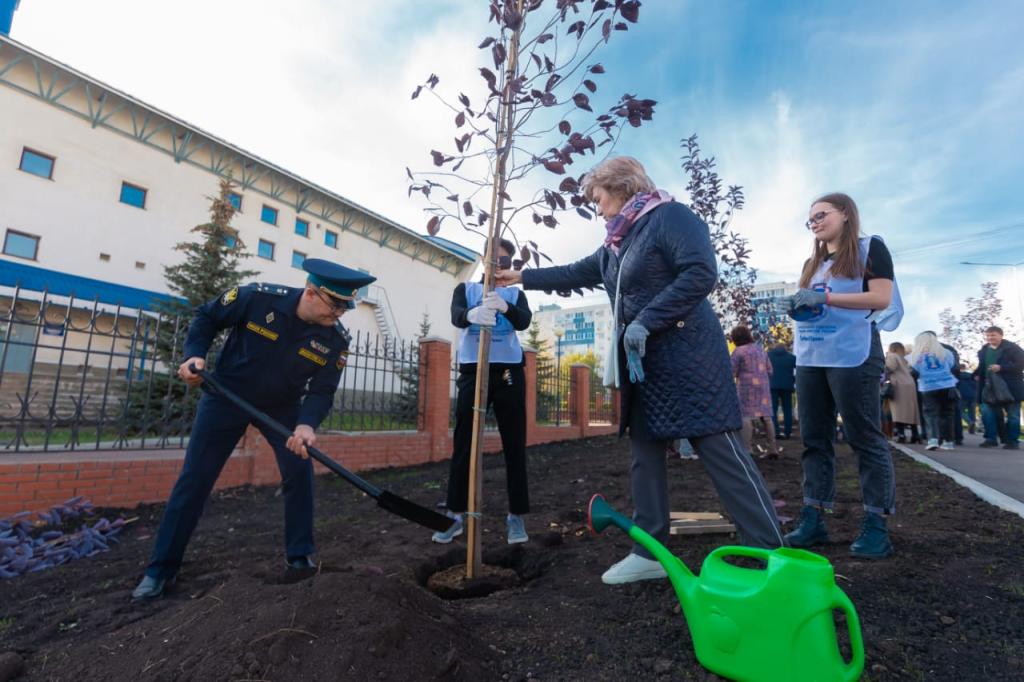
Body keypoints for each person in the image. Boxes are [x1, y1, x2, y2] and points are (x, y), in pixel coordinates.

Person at [496, 156, 784, 585]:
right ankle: (649, 550)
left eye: (599, 197)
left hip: (689, 356)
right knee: (644, 450)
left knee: (719, 448)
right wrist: (519, 277)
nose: (596, 208)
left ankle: (772, 555)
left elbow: (700, 272)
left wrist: (647, 319)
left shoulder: (670, 217)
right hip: (645, 363)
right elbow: (573, 271)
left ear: (623, 186)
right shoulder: (617, 245)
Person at [132, 260, 374, 599]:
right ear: (310, 293)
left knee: (299, 471)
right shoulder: (257, 299)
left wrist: (305, 426)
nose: (340, 314)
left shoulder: (334, 339)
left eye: (345, 307)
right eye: (335, 305)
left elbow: (322, 389)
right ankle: (160, 569)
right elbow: (206, 317)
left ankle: (300, 557)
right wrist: (195, 355)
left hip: (281, 409)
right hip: (226, 397)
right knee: (195, 479)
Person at [785, 192, 902, 560]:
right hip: (812, 355)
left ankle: (876, 525)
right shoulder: (813, 263)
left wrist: (826, 300)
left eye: (821, 215)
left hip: (853, 354)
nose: (815, 222)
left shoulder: (870, 249)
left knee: (864, 436)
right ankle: (813, 518)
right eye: (811, 220)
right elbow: (814, 307)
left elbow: (880, 298)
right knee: (814, 438)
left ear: (846, 214)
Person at [432, 239, 533, 545]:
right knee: (464, 442)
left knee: (514, 444)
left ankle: (516, 517)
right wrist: (471, 315)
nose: (496, 267)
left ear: (509, 264)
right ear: (483, 259)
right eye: (492, 261)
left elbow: (524, 321)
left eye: (503, 262)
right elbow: (456, 315)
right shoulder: (466, 289)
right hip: (473, 370)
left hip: (508, 370)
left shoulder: (516, 292)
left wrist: (507, 307)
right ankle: (456, 515)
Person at [730, 325, 781, 457]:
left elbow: (731, 371)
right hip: (763, 387)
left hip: (746, 388)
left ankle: (747, 449)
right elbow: (770, 370)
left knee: (746, 417)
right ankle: (773, 448)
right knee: (767, 417)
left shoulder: (738, 352)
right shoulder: (761, 350)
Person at [973, 326, 1024, 449]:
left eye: (993, 335)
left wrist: (1002, 368)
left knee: (1013, 415)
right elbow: (982, 366)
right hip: (989, 388)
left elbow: (1021, 364)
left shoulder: (1013, 348)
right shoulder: (984, 350)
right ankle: (990, 439)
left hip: (1010, 387)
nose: (990, 338)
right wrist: (975, 375)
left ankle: (1012, 441)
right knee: (987, 412)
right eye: (988, 335)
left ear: (1001, 335)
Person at [910, 331, 958, 451]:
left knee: (930, 414)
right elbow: (954, 367)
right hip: (947, 385)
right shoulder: (946, 352)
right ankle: (948, 441)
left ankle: (933, 439)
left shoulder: (916, 355)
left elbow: (914, 372)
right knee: (947, 413)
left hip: (928, 386)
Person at [884, 342, 920, 443]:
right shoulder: (904, 358)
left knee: (898, 411)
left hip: (899, 384)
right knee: (911, 411)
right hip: (910, 384)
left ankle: (901, 435)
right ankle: (915, 435)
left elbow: (890, 367)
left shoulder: (892, 356)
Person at [767, 343, 796, 440]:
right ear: (785, 348)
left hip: (772, 386)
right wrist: (793, 380)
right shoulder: (792, 357)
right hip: (787, 386)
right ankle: (787, 432)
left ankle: (775, 431)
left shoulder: (768, 356)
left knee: (773, 410)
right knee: (787, 409)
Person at [957, 363, 978, 436]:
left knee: (960, 411)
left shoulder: (958, 377)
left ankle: (969, 422)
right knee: (972, 412)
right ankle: (972, 429)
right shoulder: (971, 376)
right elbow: (976, 385)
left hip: (962, 396)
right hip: (973, 396)